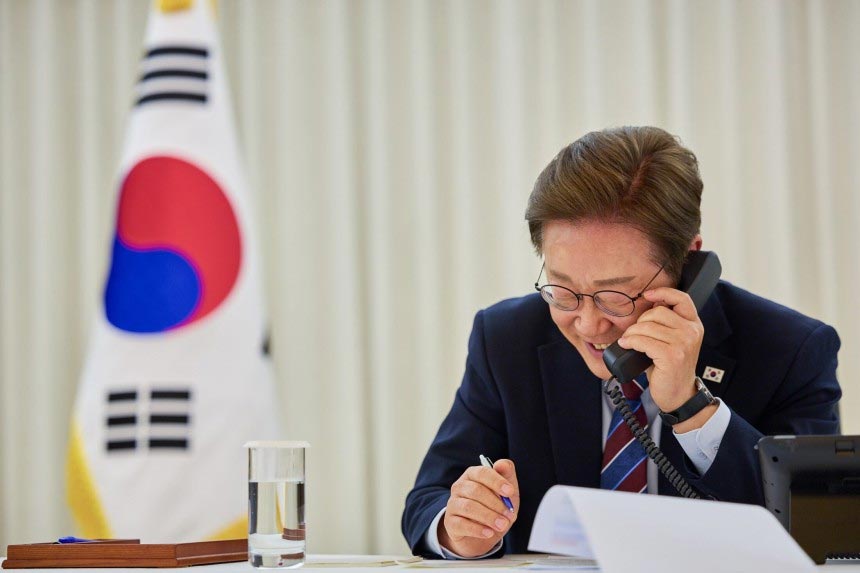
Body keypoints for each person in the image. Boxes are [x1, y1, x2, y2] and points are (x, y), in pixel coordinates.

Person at [401, 126, 842, 559]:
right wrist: (461, 529)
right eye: (562, 288)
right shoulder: (506, 338)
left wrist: (691, 407)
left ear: (688, 265)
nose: (589, 325)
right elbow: (430, 498)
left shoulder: (792, 349)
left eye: (615, 295)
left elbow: (813, 526)